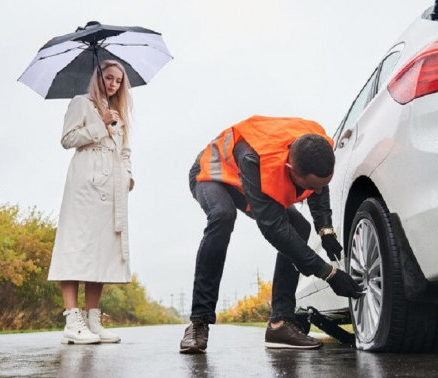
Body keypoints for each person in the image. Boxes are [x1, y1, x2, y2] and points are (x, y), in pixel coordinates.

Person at [179, 115, 362, 354]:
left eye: (322, 184)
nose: (316, 192)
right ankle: (198, 323)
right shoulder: (255, 158)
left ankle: (280, 324)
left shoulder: (317, 145)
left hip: (248, 174)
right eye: (311, 186)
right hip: (212, 173)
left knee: (300, 227)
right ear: (289, 169)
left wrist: (325, 229)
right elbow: (274, 229)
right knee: (222, 216)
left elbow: (318, 187)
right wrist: (329, 273)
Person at [47, 60, 135, 345]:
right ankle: (72, 320)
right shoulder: (80, 103)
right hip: (85, 184)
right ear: (98, 77)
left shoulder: (119, 113)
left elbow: (125, 151)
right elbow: (67, 138)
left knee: (102, 250)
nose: (113, 84)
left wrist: (127, 178)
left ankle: (92, 319)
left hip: (112, 189)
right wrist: (101, 126)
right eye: (108, 78)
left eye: (118, 81)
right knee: (77, 246)